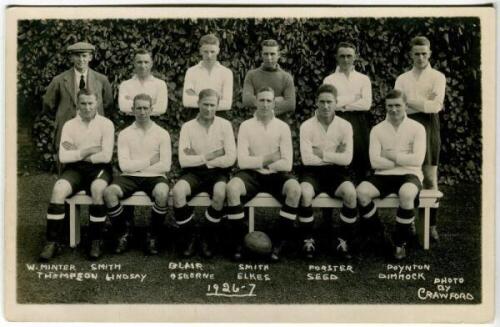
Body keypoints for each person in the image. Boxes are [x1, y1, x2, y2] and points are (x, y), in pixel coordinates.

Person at [226, 87, 301, 262]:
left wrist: (258, 159)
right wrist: (271, 158)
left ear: (274, 103)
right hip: (251, 175)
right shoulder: (246, 126)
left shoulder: (282, 127)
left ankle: (278, 243)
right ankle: (240, 242)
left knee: (295, 189)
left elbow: (287, 163)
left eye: (269, 100)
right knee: (232, 188)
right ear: (256, 102)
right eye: (262, 100)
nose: (265, 104)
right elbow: (243, 162)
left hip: (276, 175)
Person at [39, 89, 114, 261]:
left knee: (97, 189)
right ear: (77, 105)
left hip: (100, 169)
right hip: (75, 169)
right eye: (83, 104)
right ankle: (52, 242)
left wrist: (77, 152)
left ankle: (96, 240)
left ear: (97, 103)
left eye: (90, 103)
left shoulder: (106, 124)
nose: (87, 107)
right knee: (58, 190)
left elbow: (106, 156)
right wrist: (87, 151)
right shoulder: (69, 125)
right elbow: (64, 156)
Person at [356, 89, 426, 260]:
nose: (393, 110)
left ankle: (400, 243)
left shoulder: (417, 128)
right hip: (383, 174)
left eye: (398, 105)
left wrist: (390, 154)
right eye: (390, 106)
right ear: (385, 107)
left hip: (410, 174)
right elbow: (374, 162)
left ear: (405, 106)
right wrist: (403, 157)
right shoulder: (378, 129)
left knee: (407, 193)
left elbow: (417, 160)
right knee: (361, 191)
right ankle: (379, 233)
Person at [103, 94, 171, 255]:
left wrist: (138, 166)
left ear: (151, 110)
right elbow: (124, 165)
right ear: (132, 110)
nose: (142, 112)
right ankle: (124, 232)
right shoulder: (125, 133)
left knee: (162, 193)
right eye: (138, 108)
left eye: (145, 108)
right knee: (109, 193)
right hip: (129, 177)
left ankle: (153, 235)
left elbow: (165, 165)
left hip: (156, 177)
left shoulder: (162, 133)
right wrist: (149, 161)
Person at [172, 89, 236, 258]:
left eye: (212, 105)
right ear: (198, 104)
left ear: (217, 106)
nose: (208, 109)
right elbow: (184, 160)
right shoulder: (187, 127)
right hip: (193, 173)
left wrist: (200, 158)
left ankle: (208, 235)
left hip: (218, 172)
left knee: (221, 192)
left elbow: (230, 158)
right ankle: (190, 236)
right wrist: (212, 155)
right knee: (178, 192)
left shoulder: (225, 125)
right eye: (205, 104)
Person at [395, 36, 446, 242]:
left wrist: (410, 102)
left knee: (430, 178)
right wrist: (422, 102)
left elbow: (435, 107)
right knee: (410, 176)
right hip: (406, 127)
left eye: (424, 53)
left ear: (430, 54)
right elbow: (397, 106)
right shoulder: (402, 78)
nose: (420, 57)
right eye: (417, 53)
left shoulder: (438, 77)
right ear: (411, 55)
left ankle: (431, 225)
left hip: (429, 126)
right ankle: (411, 223)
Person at [298, 84, 357, 260]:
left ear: (336, 103)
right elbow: (307, 159)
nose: (325, 106)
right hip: (312, 172)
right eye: (322, 102)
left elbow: (347, 159)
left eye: (329, 102)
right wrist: (335, 153)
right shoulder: (306, 126)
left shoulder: (345, 126)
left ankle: (343, 241)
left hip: (337, 172)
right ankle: (308, 240)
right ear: (316, 102)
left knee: (350, 193)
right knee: (305, 193)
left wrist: (321, 153)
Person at [43, 41, 113, 153]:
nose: (81, 60)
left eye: (84, 56)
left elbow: (108, 104)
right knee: (67, 163)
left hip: (94, 129)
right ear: (71, 58)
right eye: (77, 56)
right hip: (68, 129)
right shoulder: (59, 80)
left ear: (90, 57)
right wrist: (63, 116)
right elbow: (48, 106)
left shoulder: (101, 80)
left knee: (93, 162)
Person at [323, 41, 372, 181]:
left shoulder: (363, 79)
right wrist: (353, 98)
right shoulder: (329, 79)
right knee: (339, 156)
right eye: (342, 56)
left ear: (355, 57)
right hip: (337, 120)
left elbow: (366, 104)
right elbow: (331, 104)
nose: (346, 59)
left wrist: (342, 103)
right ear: (337, 57)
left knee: (360, 158)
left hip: (359, 121)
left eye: (349, 56)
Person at [183, 34, 233, 120]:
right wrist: (216, 101)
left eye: (212, 52)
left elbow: (227, 104)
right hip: (195, 116)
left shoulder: (226, 73)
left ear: (218, 51)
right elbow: (187, 101)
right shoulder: (191, 72)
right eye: (206, 51)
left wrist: (198, 98)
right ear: (200, 51)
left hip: (219, 116)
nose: (209, 55)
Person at [242, 39, 296, 116]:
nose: (269, 57)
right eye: (266, 54)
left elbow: (290, 105)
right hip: (255, 121)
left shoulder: (286, 78)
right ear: (261, 55)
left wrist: (260, 101)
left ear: (278, 55)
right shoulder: (251, 75)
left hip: (279, 123)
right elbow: (247, 100)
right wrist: (275, 101)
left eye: (272, 54)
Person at [118, 48, 168, 116]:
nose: (143, 66)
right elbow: (123, 107)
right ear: (134, 64)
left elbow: (161, 108)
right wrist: (152, 103)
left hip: (154, 122)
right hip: (131, 123)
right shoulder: (125, 85)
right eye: (139, 62)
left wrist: (132, 103)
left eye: (146, 62)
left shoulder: (160, 84)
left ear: (151, 64)